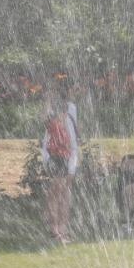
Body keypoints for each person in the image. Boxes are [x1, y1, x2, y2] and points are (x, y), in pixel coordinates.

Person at [38, 94, 76, 244]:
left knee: (61, 191)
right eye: (63, 113)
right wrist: (47, 99)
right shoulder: (53, 124)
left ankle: (59, 228)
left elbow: (70, 144)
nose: (65, 115)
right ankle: (55, 229)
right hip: (55, 159)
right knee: (57, 191)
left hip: (64, 160)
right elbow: (43, 117)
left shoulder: (64, 124)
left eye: (65, 113)